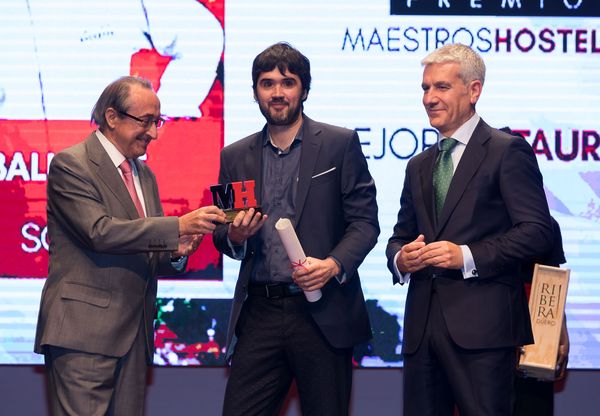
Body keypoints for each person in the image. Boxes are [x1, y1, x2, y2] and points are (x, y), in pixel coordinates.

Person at [34, 76, 226, 416]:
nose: (153, 133)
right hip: (84, 335)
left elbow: (145, 249)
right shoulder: (72, 164)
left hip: (135, 337)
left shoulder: (144, 175)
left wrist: (175, 252)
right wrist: (177, 226)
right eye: (145, 121)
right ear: (112, 117)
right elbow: (99, 232)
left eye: (157, 122)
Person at [385, 43, 554, 416]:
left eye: (441, 87)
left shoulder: (507, 151)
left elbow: (537, 231)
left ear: (474, 90)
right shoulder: (418, 164)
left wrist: (466, 256)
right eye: (425, 88)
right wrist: (401, 258)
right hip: (421, 333)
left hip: (483, 333)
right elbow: (399, 236)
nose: (429, 98)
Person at [213, 42, 379, 415]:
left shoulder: (339, 145)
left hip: (322, 310)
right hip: (260, 311)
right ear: (255, 91)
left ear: (304, 89)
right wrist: (235, 236)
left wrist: (333, 265)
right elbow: (222, 233)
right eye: (267, 83)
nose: (277, 93)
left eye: (287, 83)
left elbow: (365, 223)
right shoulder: (234, 156)